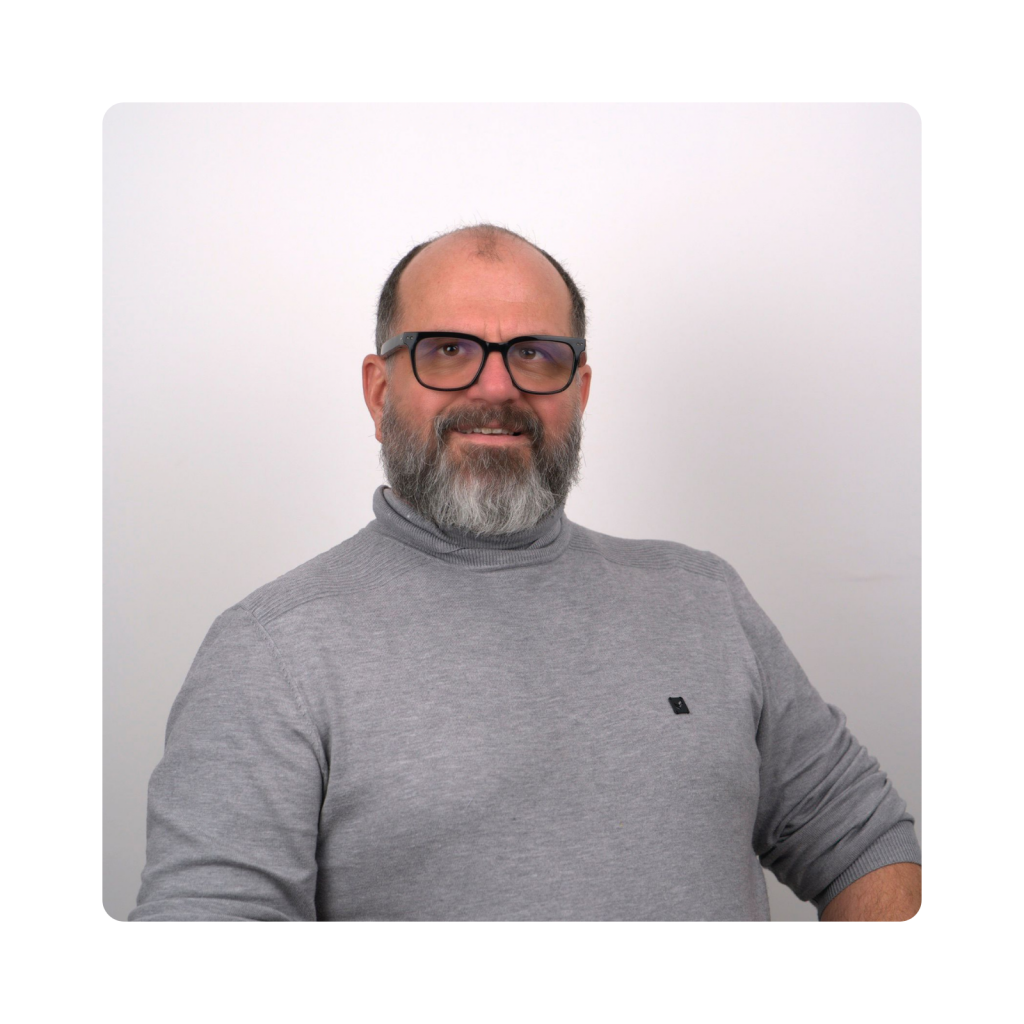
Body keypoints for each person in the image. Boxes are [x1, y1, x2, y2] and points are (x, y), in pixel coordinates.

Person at [128, 224, 921, 921]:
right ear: (378, 391)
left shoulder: (704, 600)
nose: (496, 387)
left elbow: (863, 842)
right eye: (447, 350)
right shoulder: (271, 652)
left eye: (536, 355)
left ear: (580, 389)